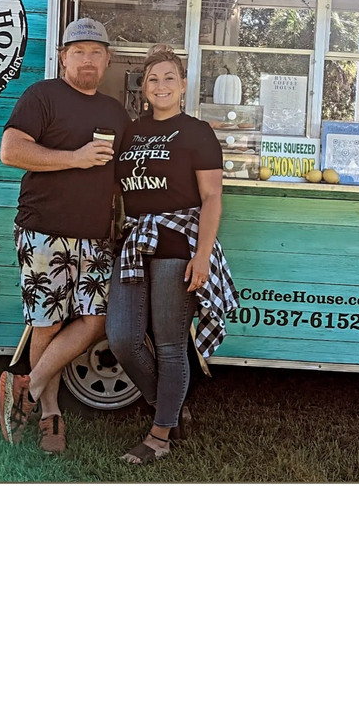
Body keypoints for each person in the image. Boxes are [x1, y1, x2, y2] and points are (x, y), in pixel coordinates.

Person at [0, 18, 130, 454]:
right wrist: (74, 158)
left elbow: (121, 175)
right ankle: (51, 415)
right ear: (63, 57)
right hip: (43, 231)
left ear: (107, 60)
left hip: (94, 237)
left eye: (96, 52)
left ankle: (27, 387)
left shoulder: (114, 111)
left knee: (95, 320)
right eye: (79, 52)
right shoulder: (43, 96)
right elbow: (11, 151)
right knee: (48, 322)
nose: (87, 60)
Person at [106, 45, 238, 465]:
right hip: (135, 242)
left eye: (168, 78)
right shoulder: (131, 131)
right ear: (142, 88)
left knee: (169, 343)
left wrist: (202, 256)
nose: (160, 85)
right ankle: (171, 406)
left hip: (178, 246)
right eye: (152, 79)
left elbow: (212, 197)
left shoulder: (197, 131)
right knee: (123, 338)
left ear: (183, 85)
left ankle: (160, 436)